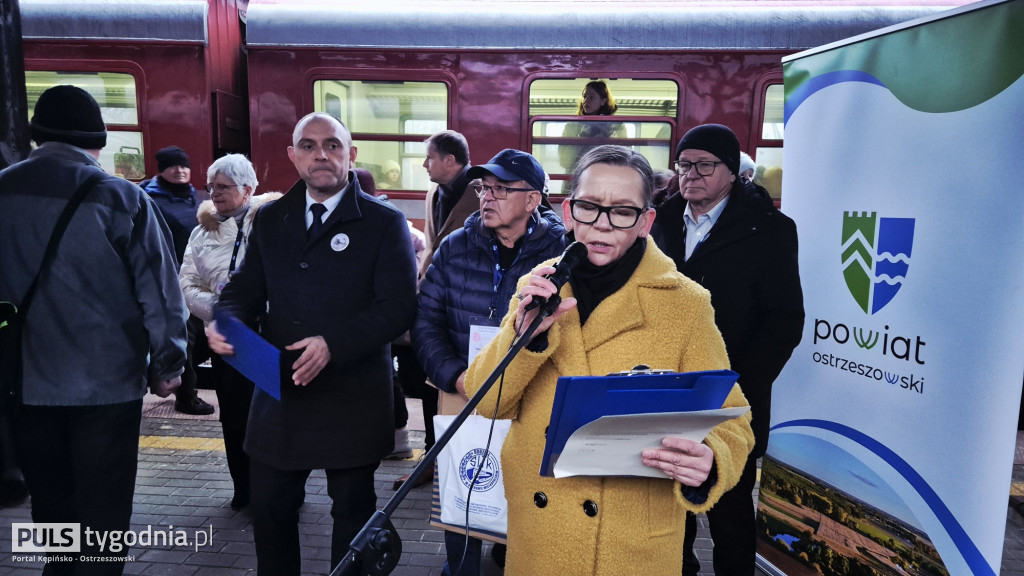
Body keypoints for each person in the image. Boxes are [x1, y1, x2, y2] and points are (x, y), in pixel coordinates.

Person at [464, 145, 755, 576]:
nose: (601, 224)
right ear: (567, 212)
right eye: (589, 207)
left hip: (631, 545)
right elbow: (486, 401)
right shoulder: (539, 286)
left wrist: (712, 459)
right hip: (542, 538)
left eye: (622, 211)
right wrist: (524, 338)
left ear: (646, 222)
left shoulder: (685, 305)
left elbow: (733, 420)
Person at [206, 112, 417, 575]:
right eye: (308, 145)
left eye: (332, 145)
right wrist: (225, 321)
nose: (320, 154)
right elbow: (245, 287)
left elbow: (399, 308)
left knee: (353, 521)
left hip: (353, 400)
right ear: (292, 155)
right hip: (282, 395)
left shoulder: (384, 223)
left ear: (351, 153)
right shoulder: (271, 218)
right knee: (271, 509)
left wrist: (332, 343)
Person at [0, 85, 187, 574]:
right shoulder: (119, 197)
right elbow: (161, 291)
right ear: (98, 140)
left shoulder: (3, 190)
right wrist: (169, 364)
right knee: (102, 517)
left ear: (37, 134)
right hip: (105, 388)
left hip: (24, 383)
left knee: (53, 508)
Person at [650, 124, 804, 576]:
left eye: (704, 165)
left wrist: (735, 386)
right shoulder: (659, 218)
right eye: (683, 165)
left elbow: (784, 322)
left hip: (732, 398)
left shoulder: (771, 229)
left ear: (733, 171)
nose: (690, 175)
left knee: (730, 511)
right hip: (664, 390)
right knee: (666, 499)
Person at [413, 149, 566, 576]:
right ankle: (459, 569)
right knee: (462, 494)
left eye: (502, 189)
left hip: (533, 397)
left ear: (533, 200)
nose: (487, 196)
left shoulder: (562, 251)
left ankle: (514, 560)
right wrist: (455, 376)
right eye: (484, 187)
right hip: (461, 391)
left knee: (522, 495)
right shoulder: (454, 247)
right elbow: (425, 321)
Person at [179, 154, 282, 510]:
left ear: (248, 189)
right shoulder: (202, 231)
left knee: (271, 418)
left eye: (224, 186)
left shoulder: (274, 222)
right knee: (234, 418)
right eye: (212, 186)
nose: (215, 193)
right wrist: (223, 310)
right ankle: (243, 489)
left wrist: (256, 310)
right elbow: (187, 282)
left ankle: (277, 493)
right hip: (227, 337)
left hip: (268, 336)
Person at [392, 130, 479, 490]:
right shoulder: (434, 192)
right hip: (432, 298)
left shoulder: (480, 193)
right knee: (429, 384)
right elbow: (432, 244)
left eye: (429, 157)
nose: (425, 164)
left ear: (450, 160)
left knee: (464, 389)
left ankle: (462, 465)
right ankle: (432, 459)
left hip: (466, 308)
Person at [142, 145, 216, 416]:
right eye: (173, 165)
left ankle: (169, 374)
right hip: (170, 278)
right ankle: (187, 397)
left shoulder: (195, 197)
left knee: (201, 339)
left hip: (197, 278)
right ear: (161, 169)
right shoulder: (149, 199)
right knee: (188, 337)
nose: (180, 170)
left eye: (184, 165)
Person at [558, 80, 625, 173]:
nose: (586, 101)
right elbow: (564, 161)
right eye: (584, 97)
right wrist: (584, 136)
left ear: (603, 101)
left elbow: (625, 158)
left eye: (591, 97)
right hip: (578, 178)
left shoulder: (616, 125)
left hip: (606, 176)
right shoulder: (573, 124)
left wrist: (609, 134)